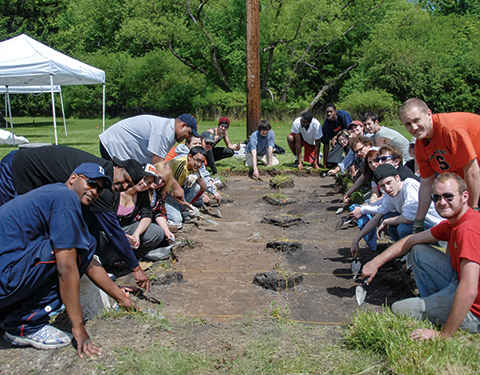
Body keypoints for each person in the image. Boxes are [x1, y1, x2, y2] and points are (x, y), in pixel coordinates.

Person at [0, 163, 138, 355]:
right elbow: (67, 268)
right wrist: (78, 327)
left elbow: (90, 263)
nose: (95, 191)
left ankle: (10, 312)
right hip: (4, 277)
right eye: (91, 183)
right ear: (73, 178)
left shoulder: (54, 193)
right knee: (77, 249)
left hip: (6, 271)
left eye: (99, 189)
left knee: (80, 246)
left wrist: (121, 298)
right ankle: (25, 325)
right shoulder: (64, 198)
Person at [0, 145, 151, 291]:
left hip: (36, 179)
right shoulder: (97, 181)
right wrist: (136, 268)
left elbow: (90, 222)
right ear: (117, 167)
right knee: (16, 231)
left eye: (128, 185)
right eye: (124, 178)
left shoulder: (100, 182)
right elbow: (113, 232)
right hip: (16, 169)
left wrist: (93, 263)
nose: (123, 185)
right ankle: (11, 282)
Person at [362, 173, 480, 339]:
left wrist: (443, 335)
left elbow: (468, 290)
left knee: (399, 309)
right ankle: (435, 302)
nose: (442, 202)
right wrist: (376, 262)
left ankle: (445, 317)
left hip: (474, 309)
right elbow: (412, 239)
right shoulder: (455, 222)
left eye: (448, 196)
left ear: (465, 196)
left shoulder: (468, 231)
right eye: (436, 197)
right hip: (457, 280)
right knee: (418, 250)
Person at [399, 98, 480, 233]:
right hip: (471, 178)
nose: (414, 127)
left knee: (469, 224)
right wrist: (419, 222)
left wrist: (472, 209)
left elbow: (472, 172)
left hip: (475, 174)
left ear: (429, 114)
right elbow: (426, 185)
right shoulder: (421, 145)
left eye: (416, 120)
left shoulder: (450, 129)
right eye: (408, 124)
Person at [350, 164, 443, 257]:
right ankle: (405, 254)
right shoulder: (391, 196)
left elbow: (408, 218)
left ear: (397, 178)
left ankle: (419, 255)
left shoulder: (409, 185)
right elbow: (376, 218)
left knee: (403, 227)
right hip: (424, 227)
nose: (387, 188)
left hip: (438, 227)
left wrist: (386, 222)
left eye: (389, 182)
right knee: (389, 219)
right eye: (382, 186)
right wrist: (356, 240)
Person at [108, 164, 165, 260]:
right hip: (107, 227)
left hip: (126, 227)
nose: (144, 184)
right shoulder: (117, 188)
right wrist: (121, 235)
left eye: (149, 183)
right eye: (144, 178)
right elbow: (104, 217)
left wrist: (137, 234)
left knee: (157, 232)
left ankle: (129, 257)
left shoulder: (142, 193)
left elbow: (147, 214)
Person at [99, 114, 200, 165]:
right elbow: (158, 163)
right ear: (183, 125)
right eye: (189, 133)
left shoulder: (171, 132)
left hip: (120, 149)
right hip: (112, 145)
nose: (188, 137)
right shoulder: (165, 131)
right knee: (119, 181)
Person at [166, 146, 208, 226]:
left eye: (201, 162)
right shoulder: (180, 166)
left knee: (197, 187)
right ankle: (166, 214)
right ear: (189, 157)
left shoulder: (193, 167)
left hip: (177, 192)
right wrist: (190, 207)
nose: (199, 164)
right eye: (197, 160)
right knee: (177, 222)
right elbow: (173, 193)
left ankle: (180, 209)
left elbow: (203, 188)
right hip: (166, 194)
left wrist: (197, 177)